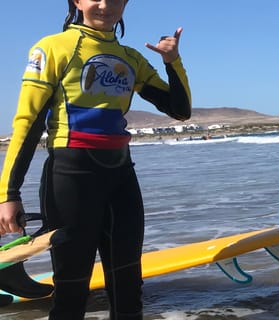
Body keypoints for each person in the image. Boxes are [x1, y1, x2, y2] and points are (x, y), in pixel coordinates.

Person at [0, 0, 191, 318]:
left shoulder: (131, 58)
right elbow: (28, 124)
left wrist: (173, 62)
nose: (105, 5)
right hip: (71, 177)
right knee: (72, 291)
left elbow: (179, 109)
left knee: (129, 288)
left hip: (121, 178)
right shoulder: (53, 48)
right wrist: (8, 194)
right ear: (76, 1)